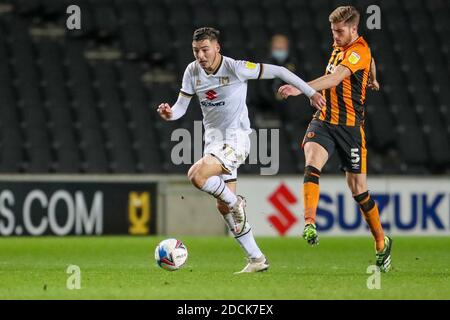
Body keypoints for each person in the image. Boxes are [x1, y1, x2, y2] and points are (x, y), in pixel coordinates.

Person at [157, 27, 325, 273]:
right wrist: (170, 114)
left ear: (217, 48)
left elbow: (278, 70)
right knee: (223, 207)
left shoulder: (235, 68)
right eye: (196, 51)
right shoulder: (192, 71)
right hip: (213, 143)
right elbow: (181, 107)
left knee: (197, 176)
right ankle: (257, 259)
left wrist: (310, 93)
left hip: (237, 140)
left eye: (205, 50)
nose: (200, 56)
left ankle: (237, 202)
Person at [278, 6, 391, 272]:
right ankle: (309, 223)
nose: (336, 36)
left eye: (340, 32)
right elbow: (371, 63)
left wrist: (299, 88)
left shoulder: (358, 50)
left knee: (359, 191)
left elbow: (336, 77)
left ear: (354, 29)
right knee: (312, 161)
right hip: (324, 120)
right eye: (333, 31)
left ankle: (381, 241)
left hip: (350, 128)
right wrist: (373, 79)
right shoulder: (342, 46)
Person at [257, 34, 299, 113]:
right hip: (268, 105)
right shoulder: (264, 65)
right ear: (271, 49)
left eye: (282, 48)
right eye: (277, 48)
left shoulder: (294, 64)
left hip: (290, 103)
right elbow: (262, 89)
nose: (280, 51)